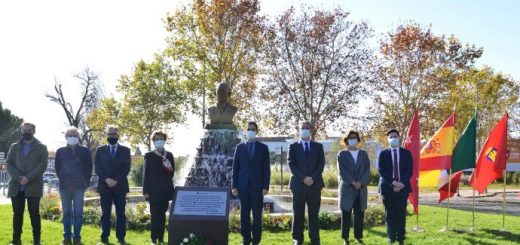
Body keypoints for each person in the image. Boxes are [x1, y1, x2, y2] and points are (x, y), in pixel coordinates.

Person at [6, 122, 48, 245]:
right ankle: (16, 240)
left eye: (29, 130)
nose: (27, 132)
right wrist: (19, 178)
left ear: (34, 131)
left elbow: (43, 166)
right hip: (16, 186)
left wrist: (28, 178)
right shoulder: (14, 147)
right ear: (22, 131)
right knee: (17, 214)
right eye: (25, 130)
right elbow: (9, 164)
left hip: (34, 186)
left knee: (34, 214)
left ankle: (36, 240)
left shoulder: (42, 147)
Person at [232, 122, 271, 245]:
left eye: (253, 129)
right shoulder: (239, 147)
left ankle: (256, 240)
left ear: (257, 131)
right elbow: (235, 168)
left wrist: (265, 186)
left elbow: (266, 169)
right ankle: (246, 239)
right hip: (243, 186)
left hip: (258, 187)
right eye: (248, 129)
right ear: (246, 131)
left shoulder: (263, 148)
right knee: (244, 215)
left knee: (257, 215)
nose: (250, 131)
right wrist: (234, 185)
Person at [288, 122, 325, 245]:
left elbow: (321, 165)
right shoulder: (293, 146)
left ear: (311, 130)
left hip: (315, 185)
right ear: (299, 130)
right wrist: (303, 178)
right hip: (298, 185)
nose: (304, 130)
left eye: (307, 128)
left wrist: (312, 178)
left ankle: (315, 239)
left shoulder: (318, 146)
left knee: (313, 214)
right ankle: (297, 239)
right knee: (298, 213)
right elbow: (291, 164)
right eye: (302, 128)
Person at [55, 127, 93, 245]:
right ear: (66, 137)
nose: (72, 137)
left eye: (75, 135)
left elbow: (89, 168)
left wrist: (85, 182)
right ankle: (67, 237)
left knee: (78, 213)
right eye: (70, 135)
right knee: (66, 213)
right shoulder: (60, 151)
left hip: (79, 187)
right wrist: (63, 178)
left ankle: (77, 237)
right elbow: (57, 168)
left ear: (78, 137)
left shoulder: (85, 150)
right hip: (65, 186)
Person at [95, 125, 131, 245]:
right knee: (105, 213)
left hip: (120, 186)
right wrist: (106, 179)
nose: (112, 136)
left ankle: (121, 238)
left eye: (114, 134)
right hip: (104, 186)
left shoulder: (126, 150)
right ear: (106, 135)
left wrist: (116, 180)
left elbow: (126, 168)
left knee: (121, 213)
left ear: (118, 135)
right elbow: (98, 168)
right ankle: (104, 238)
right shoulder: (100, 150)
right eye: (109, 134)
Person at [378, 129, 413, 245]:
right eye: (391, 137)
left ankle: (401, 237)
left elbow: (409, 170)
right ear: (388, 140)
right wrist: (394, 183)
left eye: (395, 136)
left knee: (401, 213)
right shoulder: (383, 154)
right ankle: (391, 237)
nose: (393, 138)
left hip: (403, 187)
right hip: (387, 188)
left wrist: (401, 183)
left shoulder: (406, 153)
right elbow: (381, 170)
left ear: (399, 138)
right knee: (390, 213)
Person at [337, 131, 370, 245]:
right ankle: (345, 238)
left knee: (359, 213)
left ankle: (358, 237)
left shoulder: (363, 154)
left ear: (358, 139)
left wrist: (360, 182)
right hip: (347, 188)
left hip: (361, 188)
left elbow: (367, 170)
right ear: (346, 140)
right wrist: (352, 182)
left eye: (355, 137)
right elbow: (342, 171)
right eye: (350, 138)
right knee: (346, 213)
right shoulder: (342, 154)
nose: (353, 139)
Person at [142, 130, 175, 245]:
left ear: (164, 140)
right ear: (153, 141)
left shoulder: (169, 155)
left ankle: (161, 238)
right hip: (153, 191)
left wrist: (168, 166)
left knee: (162, 216)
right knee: (154, 215)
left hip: (165, 191)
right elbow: (145, 174)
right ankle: (153, 238)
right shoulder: (149, 156)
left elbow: (172, 173)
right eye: (156, 139)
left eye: (161, 138)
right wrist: (145, 191)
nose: (159, 141)